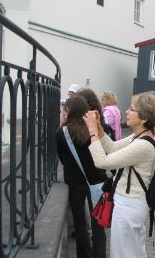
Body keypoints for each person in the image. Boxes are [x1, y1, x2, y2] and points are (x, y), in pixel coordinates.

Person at [83, 91, 155, 258]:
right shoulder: (138, 136)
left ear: (144, 118)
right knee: (133, 252)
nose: (126, 112)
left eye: (131, 109)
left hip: (130, 205)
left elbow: (102, 162)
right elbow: (112, 148)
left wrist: (92, 130)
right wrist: (98, 126)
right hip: (130, 203)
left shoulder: (143, 144)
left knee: (123, 254)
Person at [56, 96, 107, 258]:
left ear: (69, 111)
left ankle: (84, 254)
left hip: (75, 181)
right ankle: (100, 254)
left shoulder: (63, 132)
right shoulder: (93, 130)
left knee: (80, 223)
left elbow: (62, 158)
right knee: (98, 223)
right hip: (97, 179)